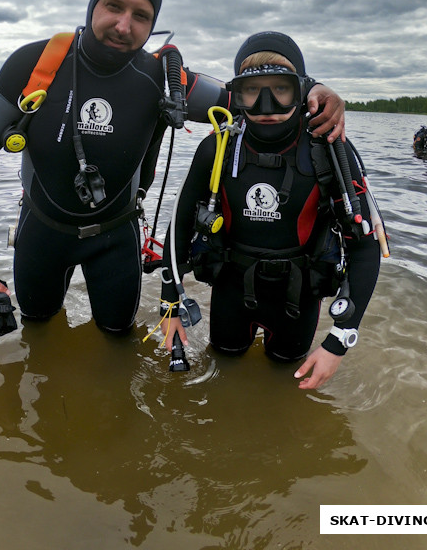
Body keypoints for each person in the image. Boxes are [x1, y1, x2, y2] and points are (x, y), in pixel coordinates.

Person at [0, 0, 345, 333]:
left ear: (152, 24)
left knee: (119, 340)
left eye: (141, 16)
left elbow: (251, 99)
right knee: (38, 333)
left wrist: (315, 89)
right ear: (92, 8)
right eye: (114, 7)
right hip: (42, 233)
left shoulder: (161, 79)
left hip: (116, 239)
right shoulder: (33, 65)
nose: (124, 25)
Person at [159, 31, 381, 389]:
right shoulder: (217, 148)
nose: (266, 105)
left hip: (299, 296)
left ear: (301, 89)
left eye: (280, 89)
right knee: (223, 373)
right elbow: (179, 229)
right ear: (237, 94)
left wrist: (340, 339)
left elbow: (365, 248)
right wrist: (170, 304)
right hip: (231, 287)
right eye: (253, 90)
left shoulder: (330, 151)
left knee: (285, 378)